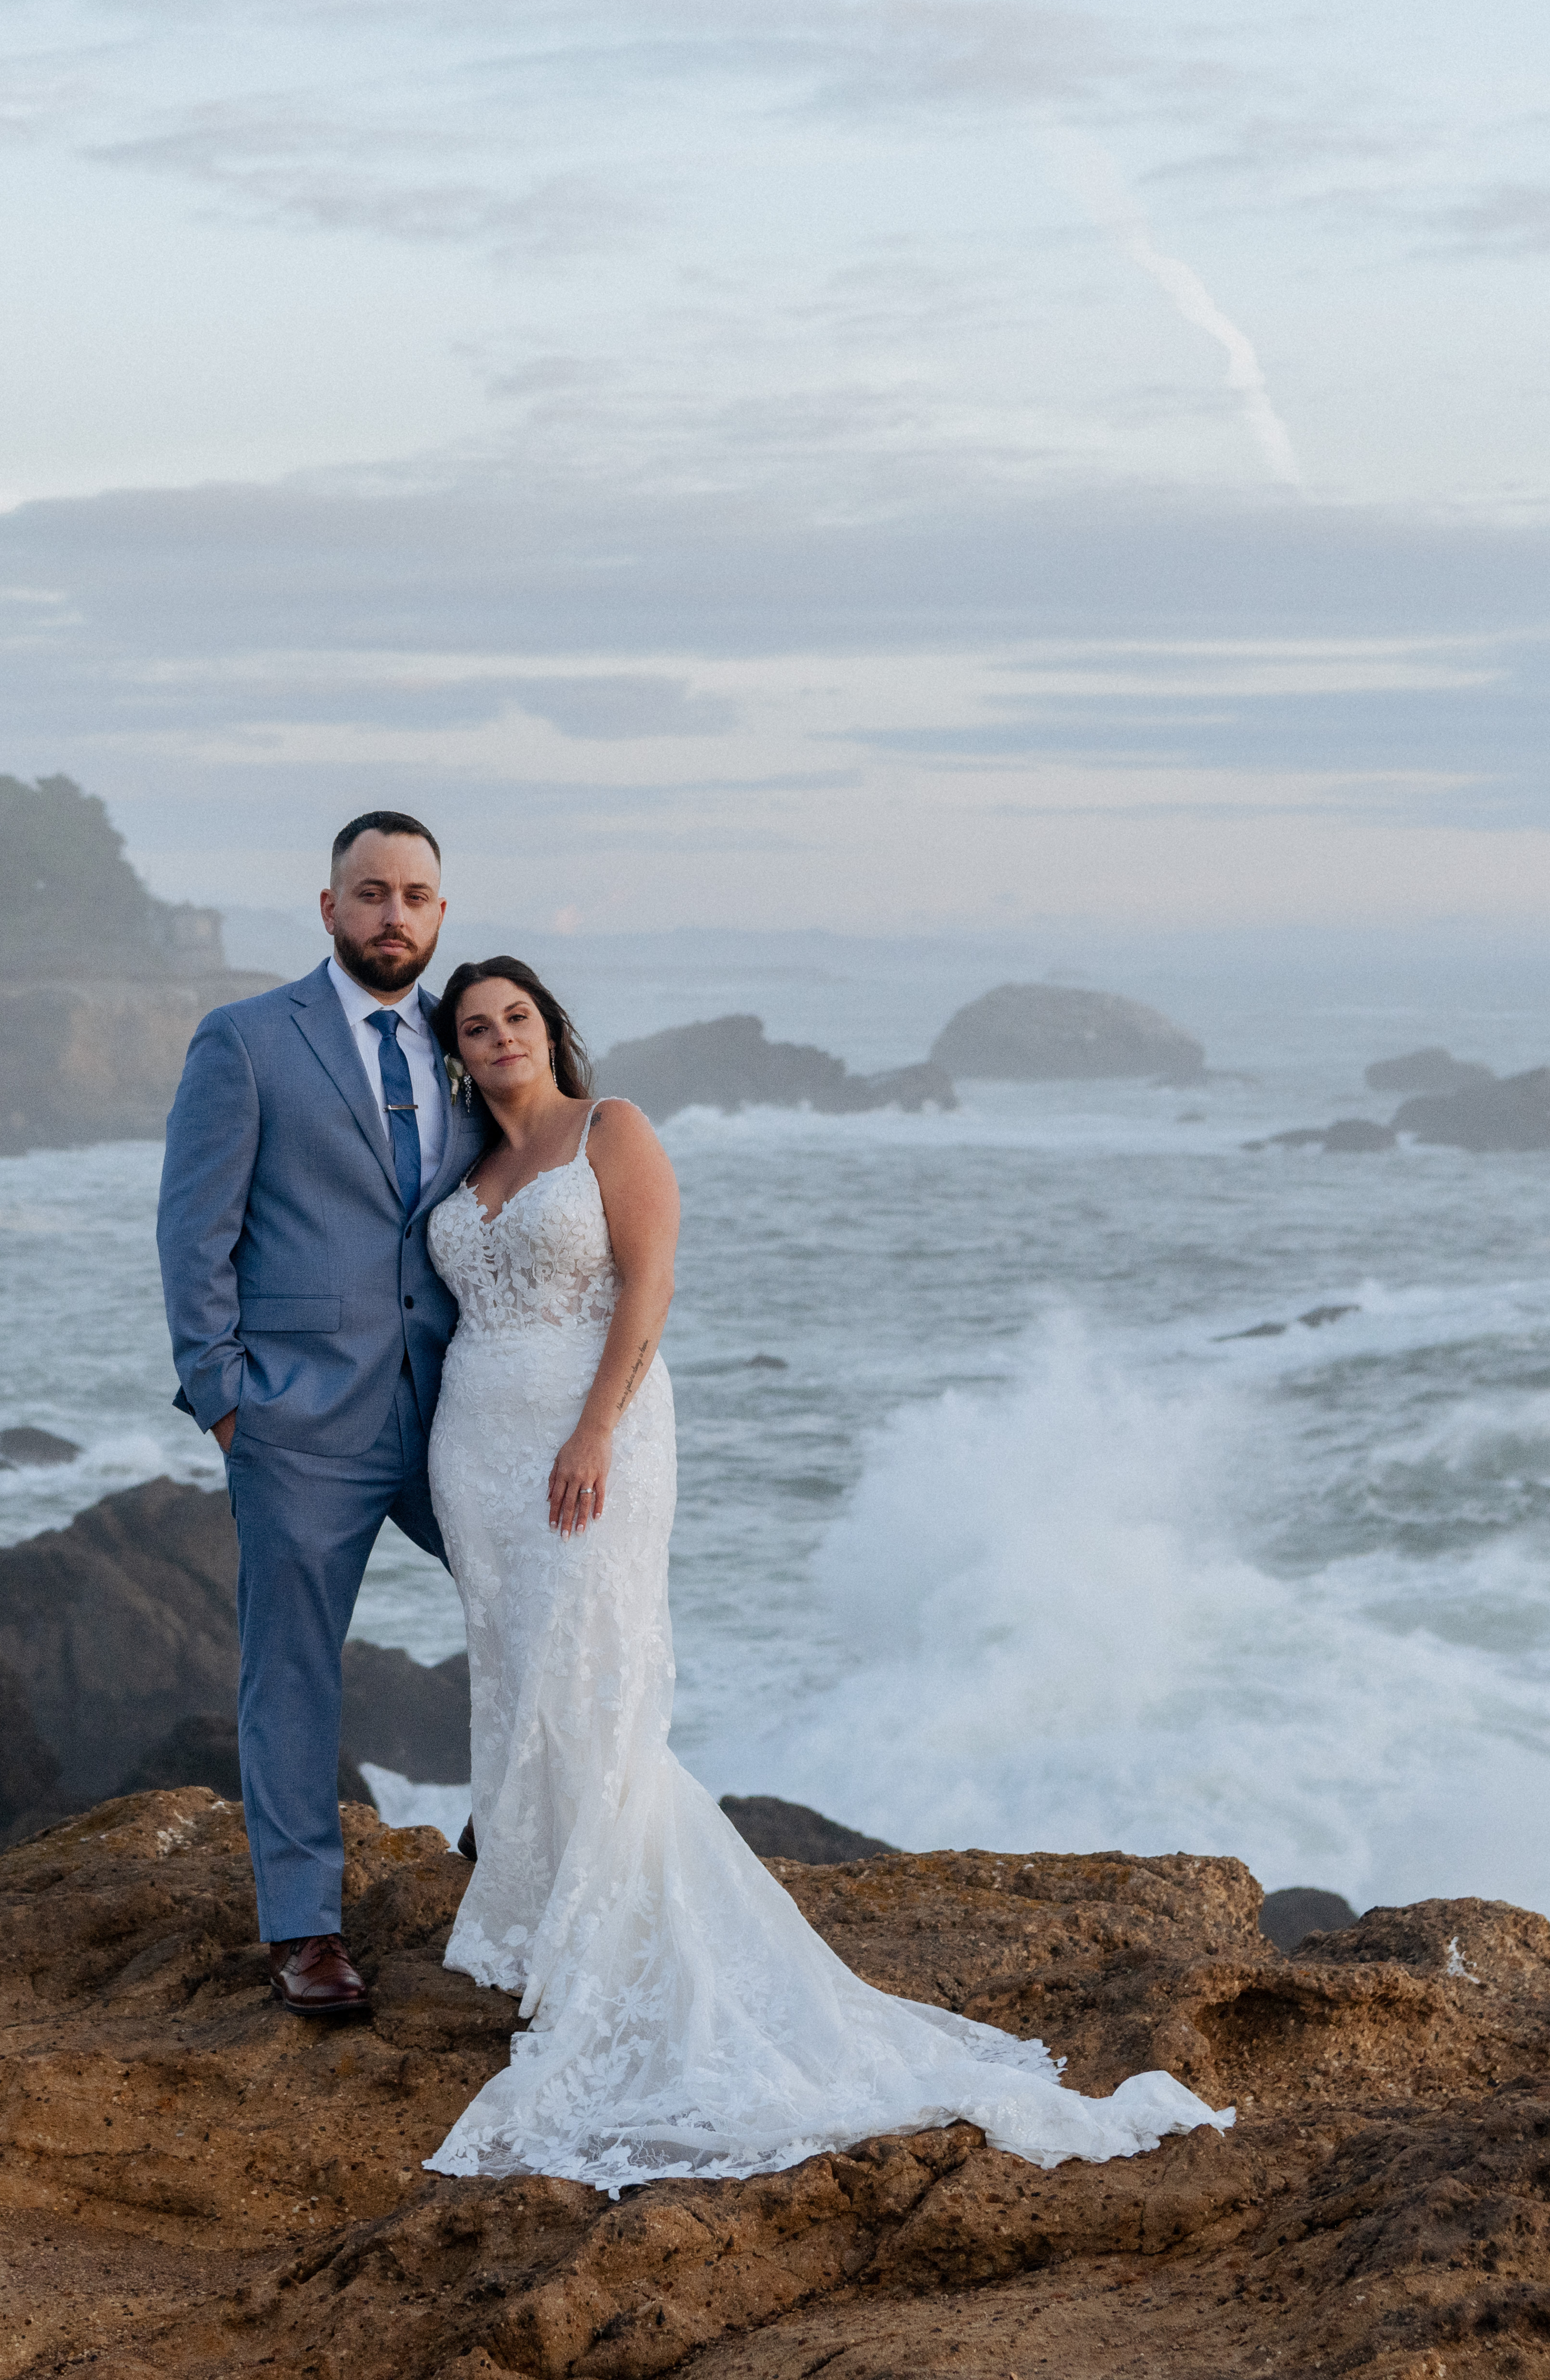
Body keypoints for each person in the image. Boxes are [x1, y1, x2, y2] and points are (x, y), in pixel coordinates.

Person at [416, 954, 1233, 2189]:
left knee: (596, 1677)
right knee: (520, 1677)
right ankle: (543, 1925)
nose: (500, 1038)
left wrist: (592, 1429)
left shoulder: (610, 1129)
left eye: (516, 1016)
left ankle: (617, 1951)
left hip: (593, 1442)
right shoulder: (465, 1174)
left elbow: (651, 1287)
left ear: (549, 1026)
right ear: (461, 1054)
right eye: (476, 1028)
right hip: (475, 1454)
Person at [155, 812, 485, 2018]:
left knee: (542, 1600)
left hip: (456, 1403)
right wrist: (225, 1399)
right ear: (330, 907)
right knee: (292, 1671)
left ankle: (507, 1831)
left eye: (415, 895)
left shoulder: (472, 1036)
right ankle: (305, 1931)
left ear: (442, 913)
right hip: (298, 1417)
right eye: (371, 892)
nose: (394, 914)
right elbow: (193, 1230)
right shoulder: (247, 1041)